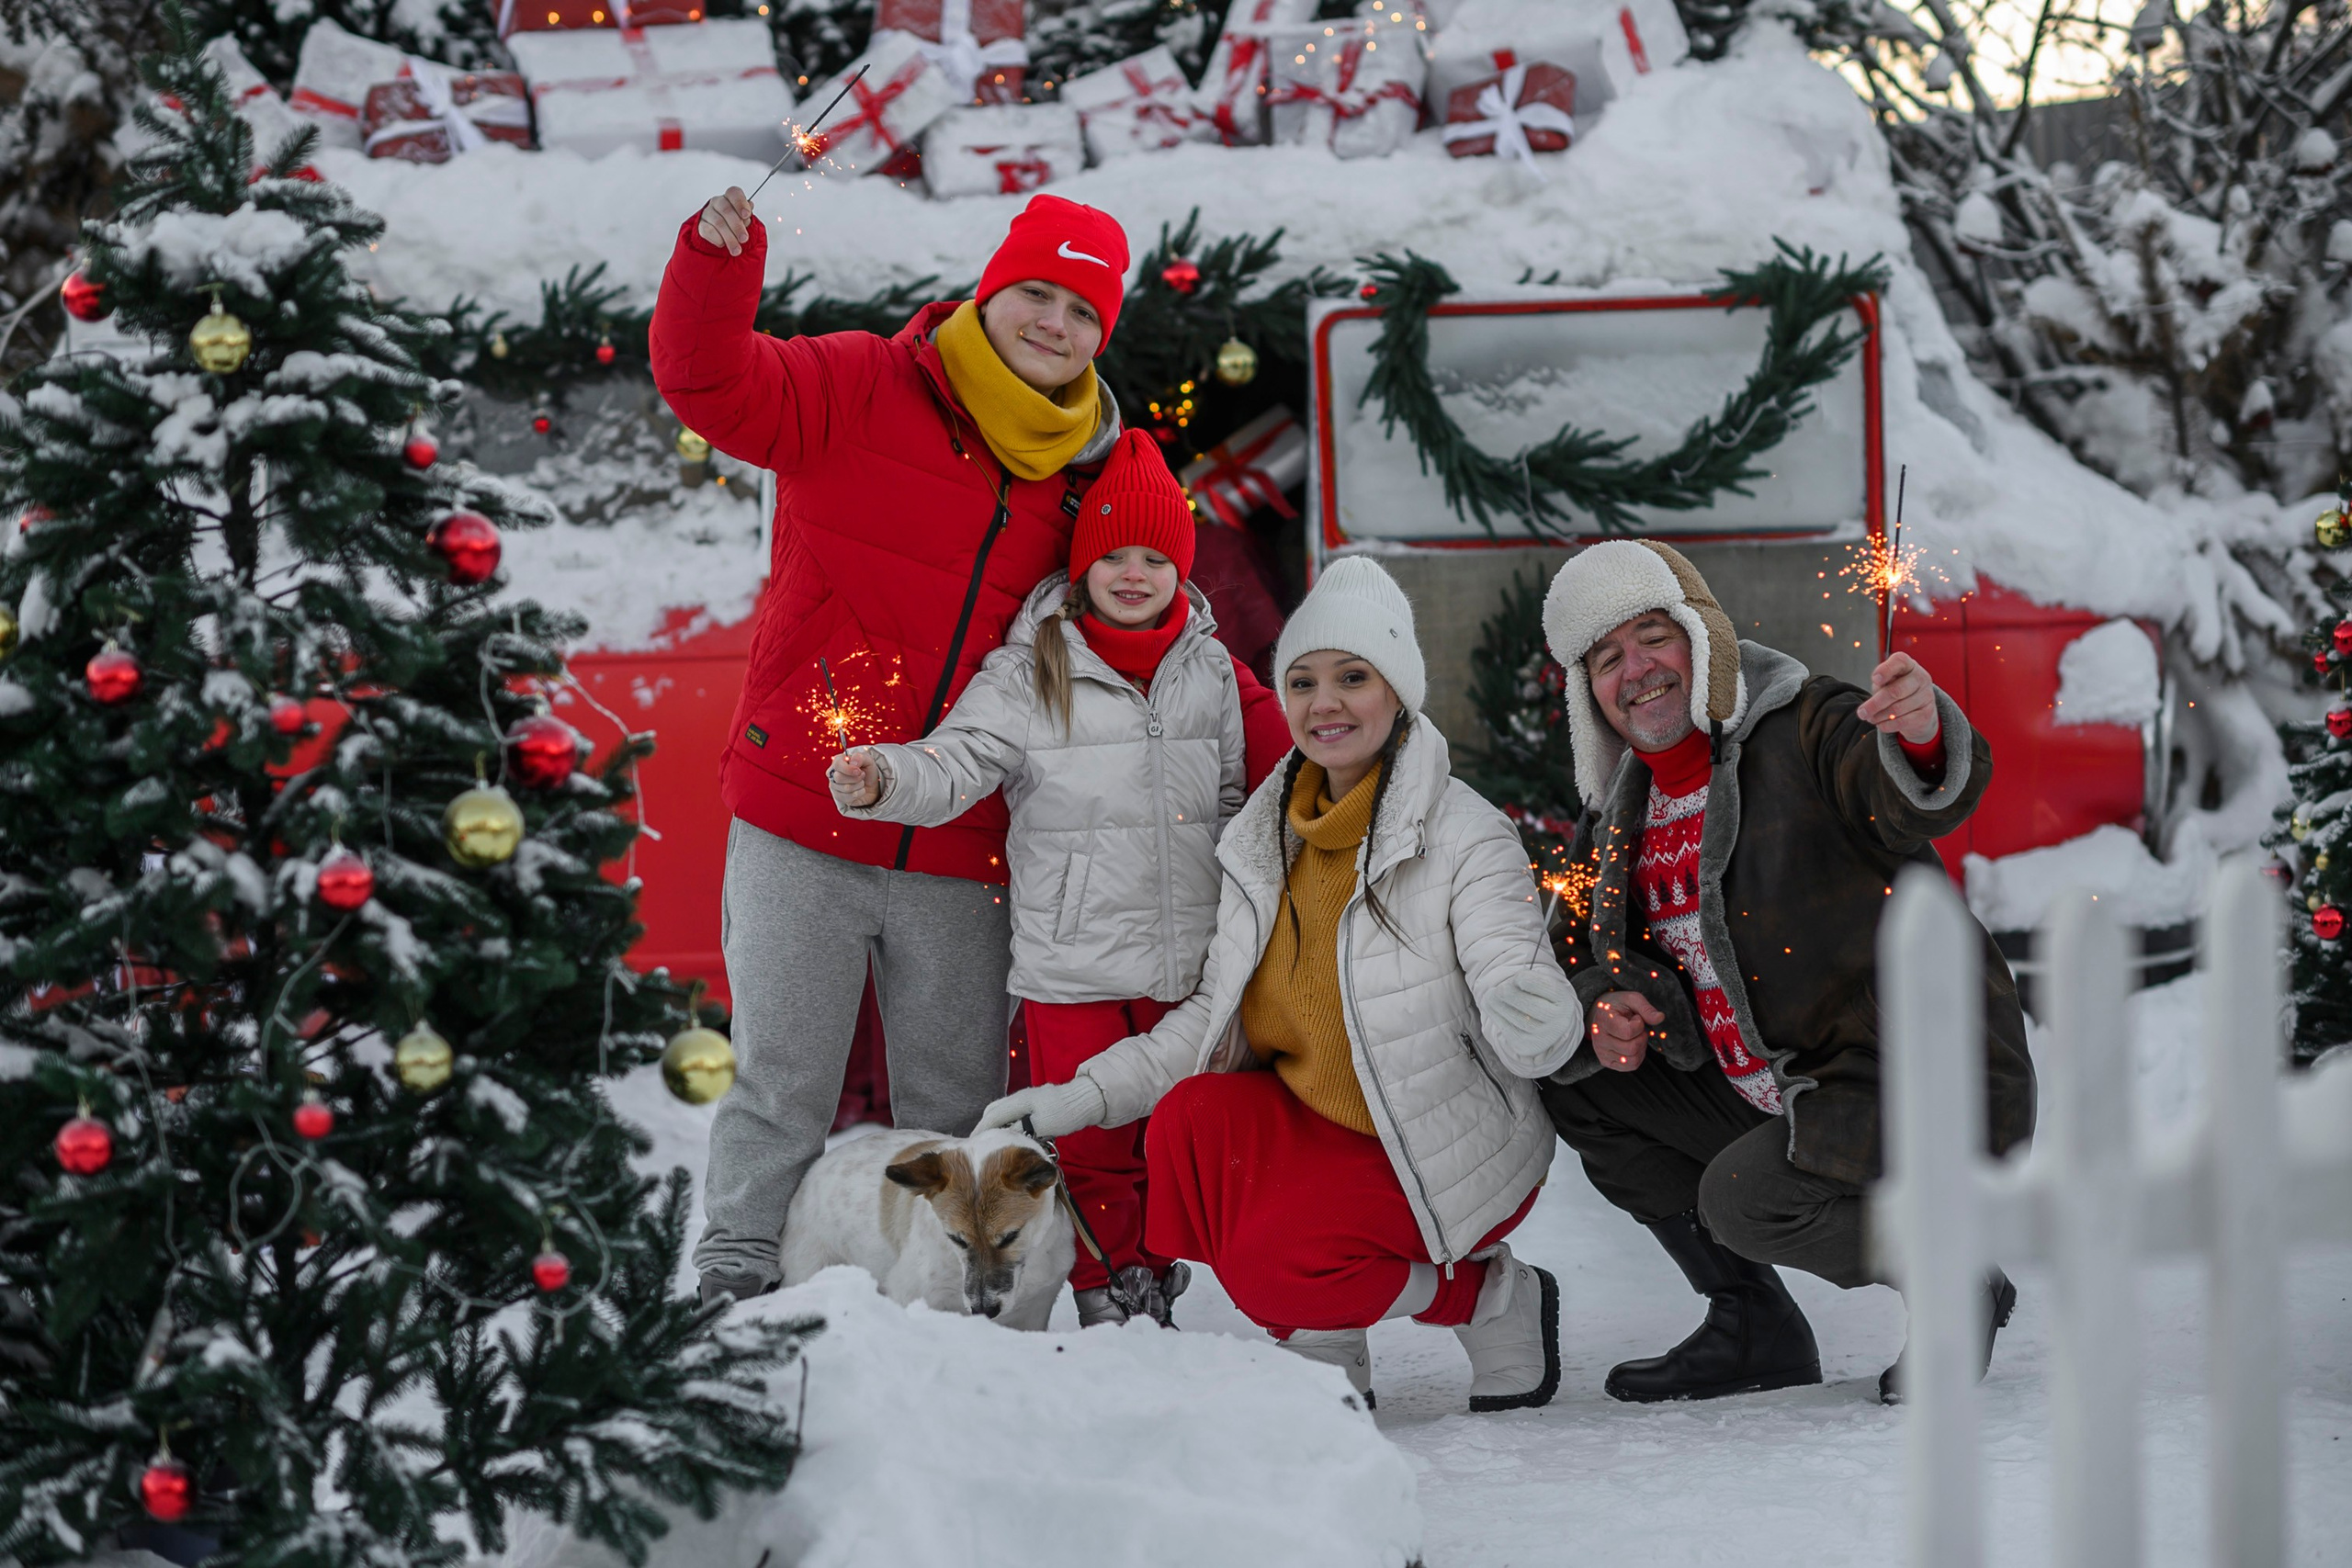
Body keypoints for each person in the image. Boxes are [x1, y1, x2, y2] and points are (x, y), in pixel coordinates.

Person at [650, 186, 1142, 1306]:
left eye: (1083, 310)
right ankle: (737, 1272)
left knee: (959, 1108)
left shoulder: (1091, 471)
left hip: (967, 839)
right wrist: (715, 267)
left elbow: (1144, 601)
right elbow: (708, 382)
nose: (1055, 323)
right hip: (804, 806)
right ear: (988, 291)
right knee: (780, 1079)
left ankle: (950, 1305)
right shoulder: (861, 383)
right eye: (1035, 292)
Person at [978, 558, 1584, 1411]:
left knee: (1273, 1261)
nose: (1324, 702)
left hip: (1436, 1143)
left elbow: (1508, 963)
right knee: (1188, 1122)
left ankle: (1487, 1296)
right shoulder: (1266, 837)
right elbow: (1208, 1018)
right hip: (1319, 1126)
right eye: (1303, 682)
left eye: (1353, 677)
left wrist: (1534, 1013)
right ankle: (1321, 1329)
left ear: (1398, 692)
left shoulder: (1462, 831)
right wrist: (1078, 1097)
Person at [1535, 539, 2035, 1404]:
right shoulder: (1617, 815)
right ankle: (1751, 1320)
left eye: (1653, 636)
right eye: (1607, 658)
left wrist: (1919, 731)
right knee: (1581, 1084)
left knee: (1745, 1198)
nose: (1637, 669)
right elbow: (1576, 957)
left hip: (1896, 1079)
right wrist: (1601, 1011)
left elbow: (1904, 790)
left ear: (1703, 638)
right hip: (1765, 1088)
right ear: (1592, 694)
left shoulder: (1806, 723)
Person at [825, 431, 1290, 1326]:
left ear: (1181, 569)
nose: (1132, 574)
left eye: (1154, 557)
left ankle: (1161, 1270)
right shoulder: (1031, 668)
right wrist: (887, 777)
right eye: (1113, 555)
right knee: (1087, 1142)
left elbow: (1261, 788)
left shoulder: (1212, 671)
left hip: (1191, 959)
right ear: (1082, 568)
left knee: (1176, 1134)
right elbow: (960, 756)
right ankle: (1109, 1288)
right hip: (1072, 963)